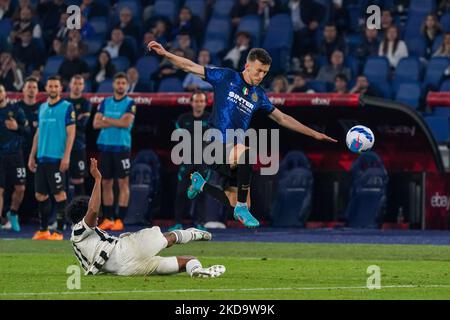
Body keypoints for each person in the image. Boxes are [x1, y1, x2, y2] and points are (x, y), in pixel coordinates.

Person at [147, 41, 337, 228]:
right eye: (258, 71)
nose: (261, 76)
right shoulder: (226, 77)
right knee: (247, 155)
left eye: (265, 72)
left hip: (232, 154)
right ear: (247, 65)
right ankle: (240, 207)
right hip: (214, 145)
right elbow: (190, 66)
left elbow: (283, 118)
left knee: (235, 201)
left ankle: (201, 184)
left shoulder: (259, 95)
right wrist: (165, 54)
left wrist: (314, 134)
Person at [68, 158, 225, 278]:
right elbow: (93, 209)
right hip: (126, 251)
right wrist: (97, 179)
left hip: (125, 270)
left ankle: (197, 271)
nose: (97, 217)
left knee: (188, 260)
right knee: (168, 238)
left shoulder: (82, 242)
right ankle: (193, 233)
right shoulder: (79, 230)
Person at [28, 75, 76, 240]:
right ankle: (43, 230)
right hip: (42, 158)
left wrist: (66, 156)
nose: (53, 89)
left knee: (60, 194)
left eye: (56, 86)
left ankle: (60, 232)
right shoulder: (42, 107)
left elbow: (71, 133)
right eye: (51, 86)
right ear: (46, 88)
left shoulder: (67, 107)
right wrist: (32, 155)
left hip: (57, 158)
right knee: (40, 195)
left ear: (60, 89)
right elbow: (38, 133)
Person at [93, 73, 136, 232]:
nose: (120, 85)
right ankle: (109, 218)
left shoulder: (130, 103)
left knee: (123, 183)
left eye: (123, 83)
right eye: (118, 82)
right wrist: (114, 122)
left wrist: (106, 120)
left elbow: (126, 123)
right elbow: (96, 123)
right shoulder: (105, 102)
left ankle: (120, 219)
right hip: (105, 146)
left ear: (126, 85)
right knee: (106, 183)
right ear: (113, 84)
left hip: (122, 147)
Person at [169, 91, 211, 232]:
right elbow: (176, 139)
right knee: (181, 191)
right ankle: (178, 223)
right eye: (196, 101)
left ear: (205, 103)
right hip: (186, 160)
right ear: (191, 102)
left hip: (204, 161)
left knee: (201, 192)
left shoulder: (211, 119)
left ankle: (200, 223)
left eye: (201, 101)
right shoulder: (183, 119)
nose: (199, 104)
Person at [0, 84, 29, 232]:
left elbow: (28, 130)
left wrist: (16, 127)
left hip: (16, 155)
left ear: (5, 94)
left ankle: (13, 214)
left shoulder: (16, 110)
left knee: (21, 188)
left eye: (0, 91)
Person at [17, 77, 40, 226]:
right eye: (29, 87)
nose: (31, 89)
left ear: (37, 90)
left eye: (34, 87)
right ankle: (19, 214)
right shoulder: (17, 108)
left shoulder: (42, 108)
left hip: (38, 151)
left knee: (36, 184)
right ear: (23, 89)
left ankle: (35, 214)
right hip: (19, 152)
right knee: (19, 183)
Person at [66, 75, 92, 197]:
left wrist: (68, 121)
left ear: (83, 86)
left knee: (78, 181)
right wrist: (77, 117)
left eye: (80, 84)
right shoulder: (63, 103)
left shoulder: (86, 103)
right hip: (62, 146)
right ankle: (62, 214)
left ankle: (80, 214)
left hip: (78, 146)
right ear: (70, 85)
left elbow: (83, 124)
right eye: (75, 83)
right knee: (61, 181)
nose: (77, 86)